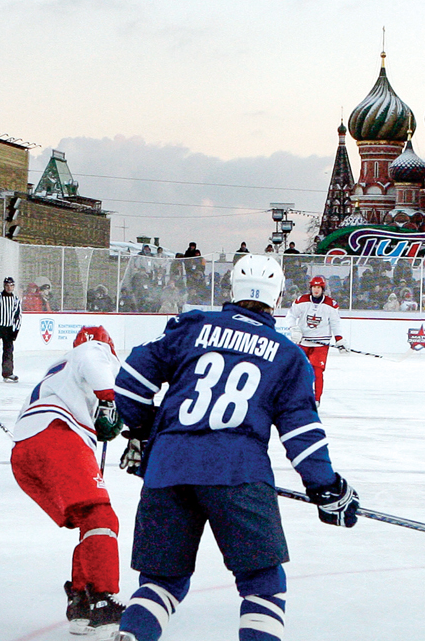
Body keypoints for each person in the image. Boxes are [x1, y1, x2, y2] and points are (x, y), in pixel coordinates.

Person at [112, 254, 359, 641]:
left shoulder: (191, 327)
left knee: (161, 582)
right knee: (263, 583)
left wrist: (144, 433)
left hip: (168, 467)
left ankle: (133, 635)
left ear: (232, 291)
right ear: (276, 298)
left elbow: (129, 382)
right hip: (238, 474)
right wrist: (326, 486)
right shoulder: (288, 355)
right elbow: (301, 433)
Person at [10, 325, 126, 637]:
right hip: (58, 436)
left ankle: (81, 603)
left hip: (25, 453)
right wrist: (110, 399)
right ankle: (104, 602)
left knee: (89, 520)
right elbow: (91, 355)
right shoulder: (91, 350)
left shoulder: (57, 371)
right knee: (103, 517)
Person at [287, 275, 344, 406]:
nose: (316, 290)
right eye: (314, 287)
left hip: (320, 344)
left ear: (323, 289)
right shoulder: (301, 301)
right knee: (297, 369)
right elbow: (290, 316)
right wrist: (294, 329)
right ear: (310, 288)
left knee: (317, 371)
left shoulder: (331, 304)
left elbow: (335, 323)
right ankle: (293, 397)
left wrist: (339, 339)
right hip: (303, 342)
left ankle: (316, 399)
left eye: (319, 287)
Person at [0, 276, 22, 382]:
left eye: (11, 286)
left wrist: (16, 330)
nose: (9, 288)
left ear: (14, 286)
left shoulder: (16, 300)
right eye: (7, 285)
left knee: (8, 351)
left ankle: (7, 373)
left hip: (9, 328)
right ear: (4, 286)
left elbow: (18, 315)